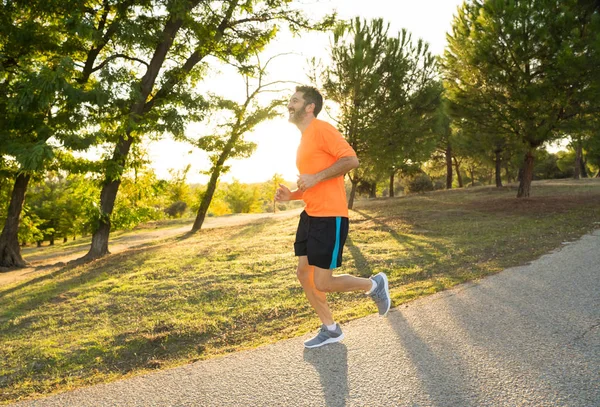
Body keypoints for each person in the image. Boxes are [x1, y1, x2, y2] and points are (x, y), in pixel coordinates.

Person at [275, 85, 391, 349]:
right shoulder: (304, 139)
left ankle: (373, 285)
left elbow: (351, 160)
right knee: (304, 273)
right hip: (311, 215)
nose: (289, 104)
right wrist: (291, 196)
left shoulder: (322, 129)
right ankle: (331, 329)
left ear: (309, 107)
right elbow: (312, 185)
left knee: (323, 282)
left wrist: (314, 177)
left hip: (330, 217)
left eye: (294, 100)